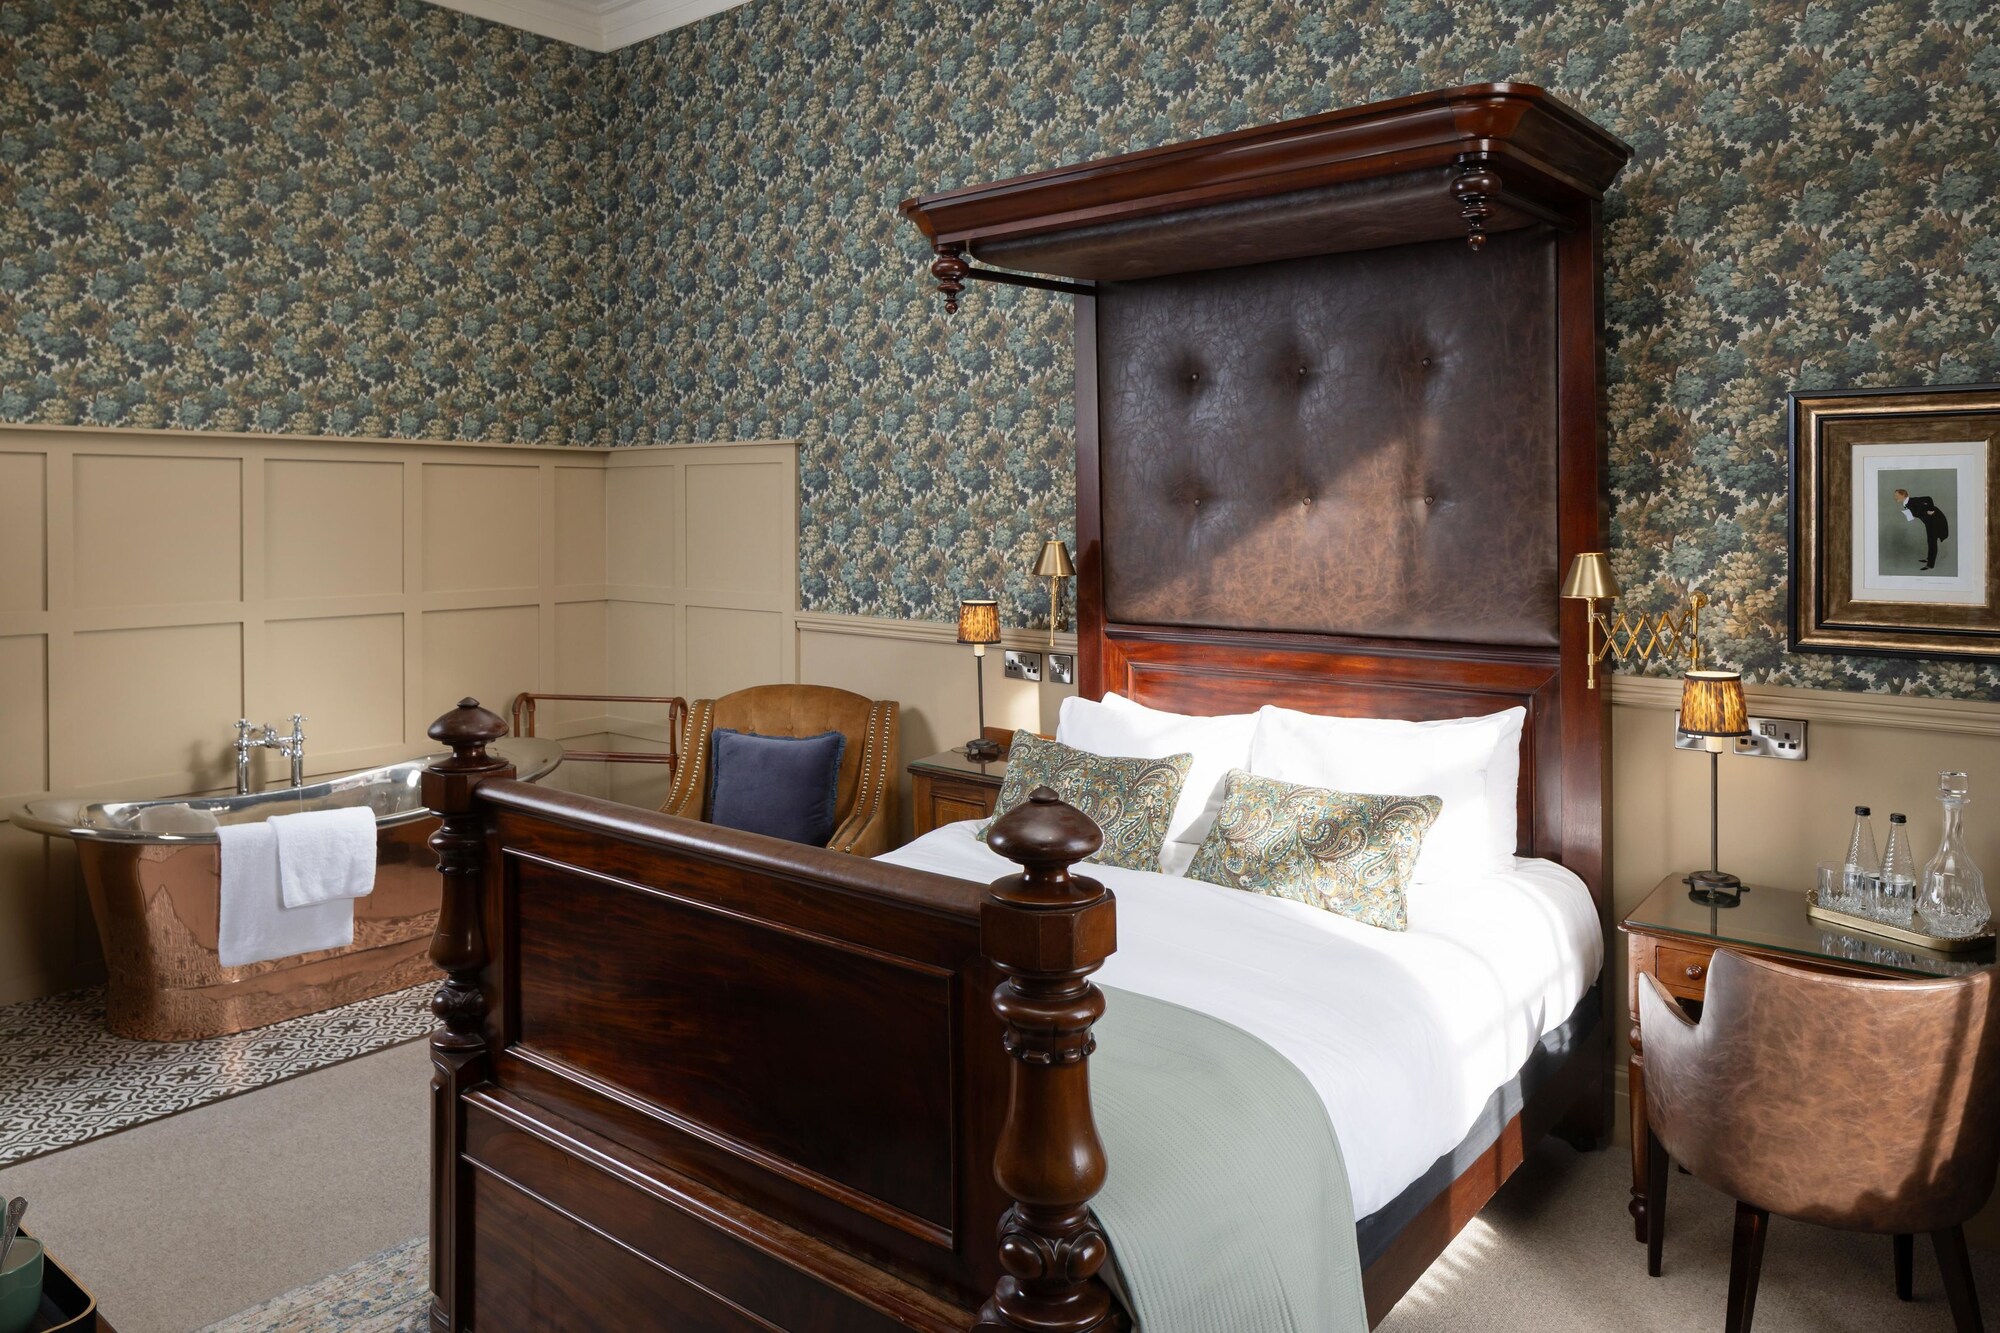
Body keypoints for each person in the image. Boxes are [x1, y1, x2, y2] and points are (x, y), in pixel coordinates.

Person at [1895, 488, 1950, 570]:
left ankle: (1930, 565)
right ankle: (1929, 558)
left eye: (1897, 495)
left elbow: (1928, 498)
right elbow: (1917, 513)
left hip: (1935, 519)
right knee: (1930, 540)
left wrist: (1931, 510)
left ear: (1902, 495)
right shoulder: (1905, 504)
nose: (1895, 497)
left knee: (1932, 541)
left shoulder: (1913, 500)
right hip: (1929, 521)